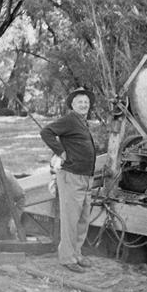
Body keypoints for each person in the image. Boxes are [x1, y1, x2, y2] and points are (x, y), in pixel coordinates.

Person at [40, 87, 96, 273]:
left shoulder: (82, 122)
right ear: (72, 104)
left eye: (86, 102)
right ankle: (67, 258)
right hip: (72, 176)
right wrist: (61, 152)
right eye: (80, 101)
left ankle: (76, 253)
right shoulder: (70, 119)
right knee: (70, 220)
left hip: (85, 177)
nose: (84, 104)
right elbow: (46, 132)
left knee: (82, 219)